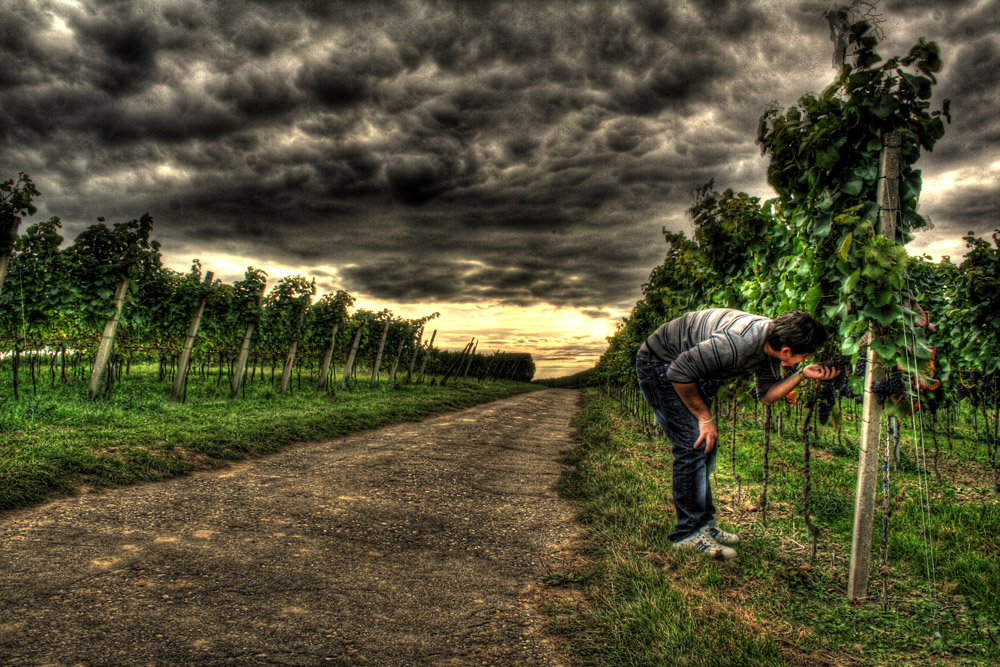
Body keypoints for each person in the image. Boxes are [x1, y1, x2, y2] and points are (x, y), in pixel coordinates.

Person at [635, 308, 840, 560]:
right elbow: (678, 372)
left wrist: (801, 374)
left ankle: (704, 523)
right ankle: (687, 534)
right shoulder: (736, 343)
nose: (805, 360)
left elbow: (766, 396)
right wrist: (704, 418)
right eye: (804, 357)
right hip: (660, 363)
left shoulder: (769, 345)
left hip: (686, 367)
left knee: (706, 446)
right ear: (786, 351)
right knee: (694, 444)